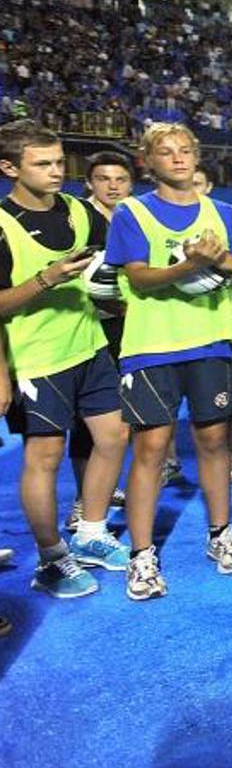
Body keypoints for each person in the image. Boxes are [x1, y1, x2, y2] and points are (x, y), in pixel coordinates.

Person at [106, 123, 232, 600]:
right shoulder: (131, 212)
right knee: (151, 448)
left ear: (197, 157)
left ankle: (221, 536)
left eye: (186, 151)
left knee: (215, 442)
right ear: (147, 162)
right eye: (166, 152)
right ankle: (142, 555)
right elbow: (140, 279)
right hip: (152, 345)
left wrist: (223, 263)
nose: (178, 159)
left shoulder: (223, 213)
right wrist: (191, 265)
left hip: (211, 342)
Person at [0, 120, 132, 598]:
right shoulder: (1, 223)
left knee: (114, 435)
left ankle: (91, 532)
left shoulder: (79, 211)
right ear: (9, 167)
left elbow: (114, 260)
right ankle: (52, 558)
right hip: (35, 358)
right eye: (43, 164)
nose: (57, 171)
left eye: (59, 162)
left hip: (90, 345)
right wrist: (46, 279)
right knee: (46, 455)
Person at [64, 150, 133, 532]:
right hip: (86, 329)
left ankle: (103, 487)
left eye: (120, 179)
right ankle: (80, 499)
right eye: (104, 179)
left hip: (129, 329)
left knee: (120, 417)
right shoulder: (77, 220)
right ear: (89, 183)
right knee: (85, 419)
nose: (113, 186)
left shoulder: (134, 218)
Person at [193, 164, 232, 484]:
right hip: (173, 329)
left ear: (209, 185)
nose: (194, 188)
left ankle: (231, 454)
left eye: (199, 182)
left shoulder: (225, 217)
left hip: (220, 327)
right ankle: (171, 460)